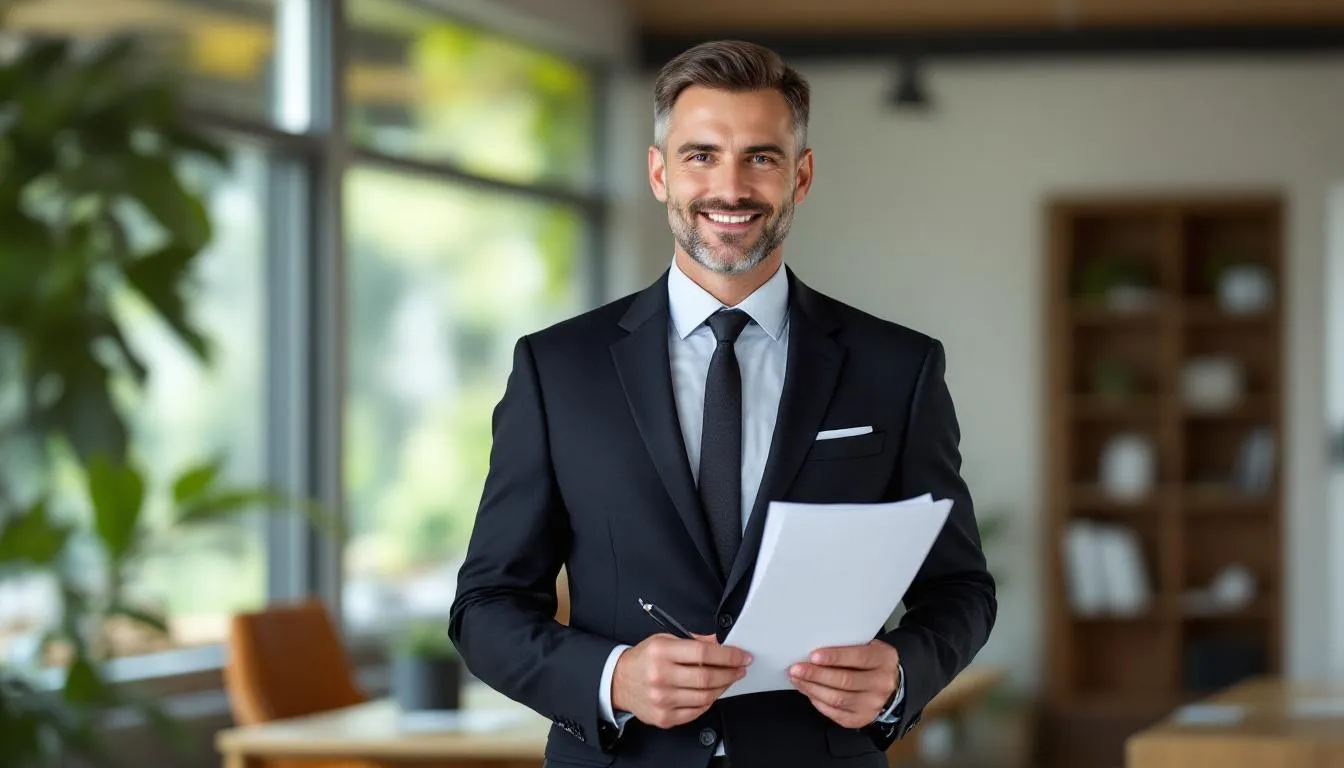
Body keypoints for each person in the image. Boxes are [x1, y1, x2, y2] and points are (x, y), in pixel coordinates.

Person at [449, 40, 996, 768]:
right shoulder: (557, 370)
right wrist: (612, 678)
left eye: (760, 158)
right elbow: (486, 606)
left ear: (800, 176)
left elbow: (960, 588)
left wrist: (900, 672)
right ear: (659, 172)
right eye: (701, 155)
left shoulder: (897, 368)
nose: (730, 188)